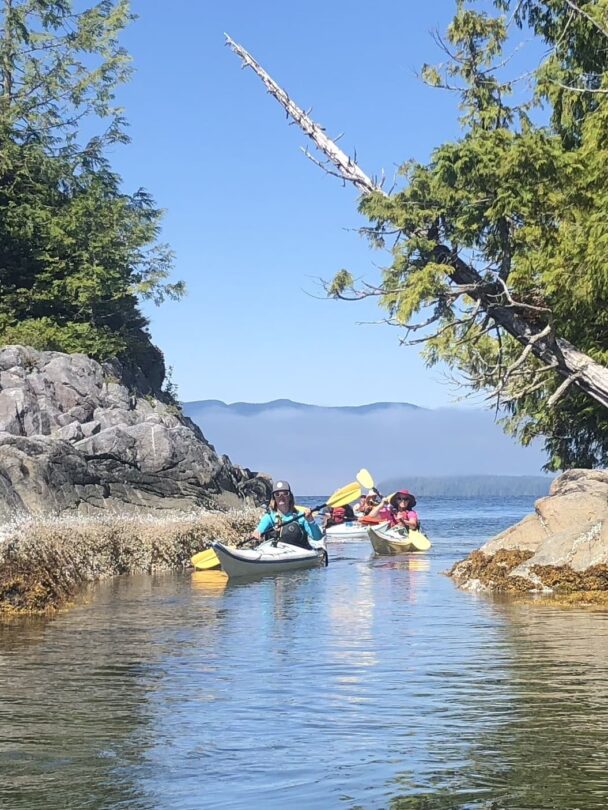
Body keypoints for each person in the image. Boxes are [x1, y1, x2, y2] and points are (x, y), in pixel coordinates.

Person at [253, 480, 323, 548]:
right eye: (277, 494)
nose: (281, 497)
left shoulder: (300, 517)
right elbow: (259, 530)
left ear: (290, 497)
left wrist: (311, 520)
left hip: (299, 554)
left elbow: (317, 538)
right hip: (276, 554)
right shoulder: (269, 517)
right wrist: (256, 533)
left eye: (285, 493)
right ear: (274, 498)